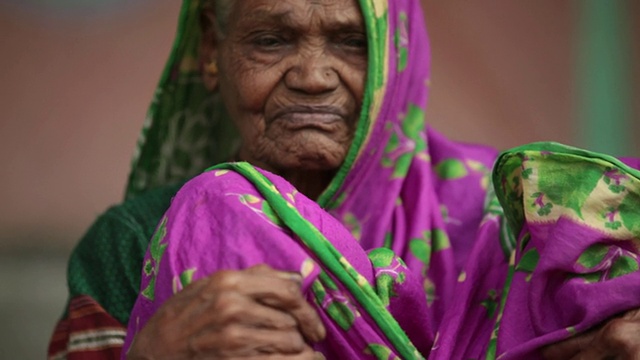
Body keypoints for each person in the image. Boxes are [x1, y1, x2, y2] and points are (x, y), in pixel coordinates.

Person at [49, 0, 640, 359]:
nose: (311, 76)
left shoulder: (516, 229)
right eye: (271, 40)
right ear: (212, 49)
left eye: (353, 43)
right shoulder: (134, 245)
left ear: (399, 57)